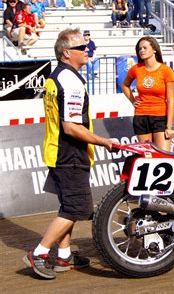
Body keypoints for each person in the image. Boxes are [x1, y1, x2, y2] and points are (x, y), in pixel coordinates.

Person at [22, 28, 118, 280]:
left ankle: (64, 256)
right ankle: (39, 253)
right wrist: (104, 142)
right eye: (80, 47)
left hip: (57, 151)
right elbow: (72, 127)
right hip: (69, 154)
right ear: (66, 53)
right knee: (79, 207)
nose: (87, 50)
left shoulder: (57, 76)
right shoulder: (71, 81)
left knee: (69, 206)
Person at [122, 36, 174, 150]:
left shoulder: (166, 71)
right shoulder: (136, 69)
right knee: (148, 156)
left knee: (163, 156)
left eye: (145, 48)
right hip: (141, 117)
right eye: (139, 49)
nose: (142, 50)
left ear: (154, 49)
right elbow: (125, 85)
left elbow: (171, 100)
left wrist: (169, 126)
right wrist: (133, 101)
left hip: (160, 117)